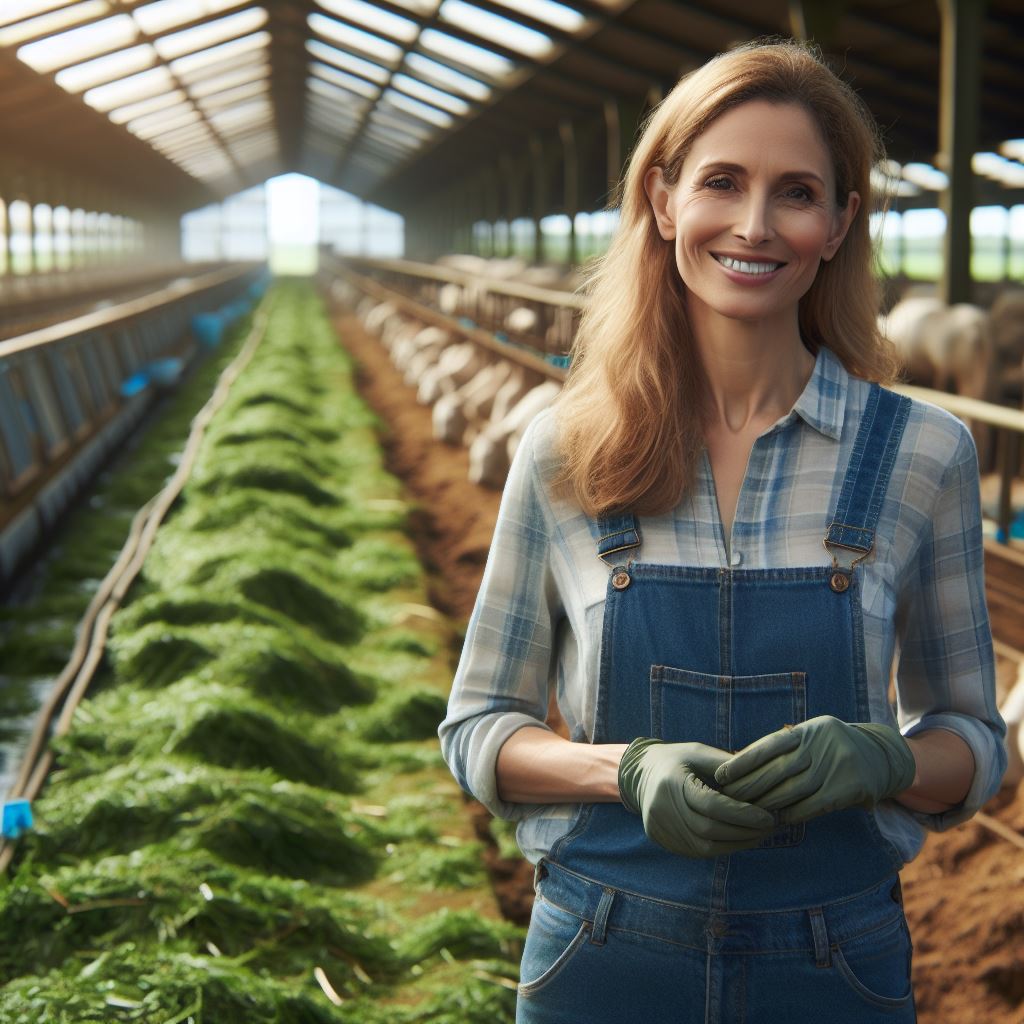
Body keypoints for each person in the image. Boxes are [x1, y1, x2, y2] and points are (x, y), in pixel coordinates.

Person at [439, 38, 1006, 1024]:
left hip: (832, 967)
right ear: (663, 204)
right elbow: (479, 725)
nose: (753, 224)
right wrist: (621, 768)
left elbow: (973, 738)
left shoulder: (923, 453)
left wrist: (887, 759)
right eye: (721, 182)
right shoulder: (563, 449)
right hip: (602, 954)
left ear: (838, 223)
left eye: (794, 192)